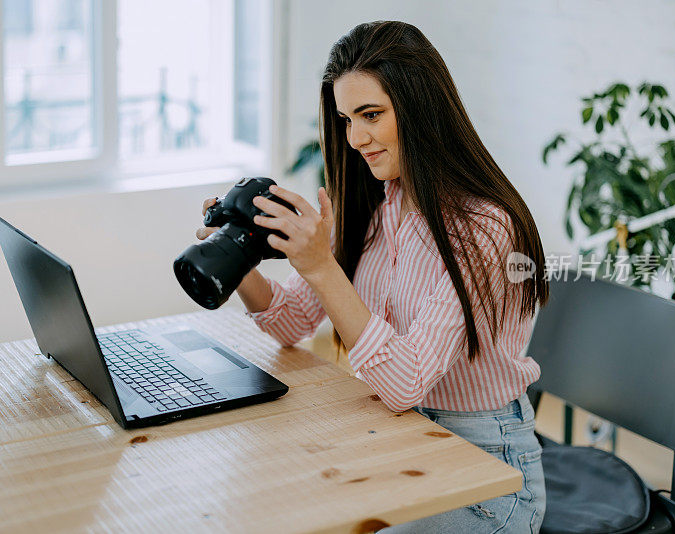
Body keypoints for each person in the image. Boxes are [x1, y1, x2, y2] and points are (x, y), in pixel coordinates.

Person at [196, 20, 548, 533]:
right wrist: (239, 254)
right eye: (345, 119)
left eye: (371, 115)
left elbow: (405, 382)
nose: (355, 138)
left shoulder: (484, 229)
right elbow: (290, 322)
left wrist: (319, 265)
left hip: (484, 463)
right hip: (396, 436)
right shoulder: (372, 204)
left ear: (419, 109)